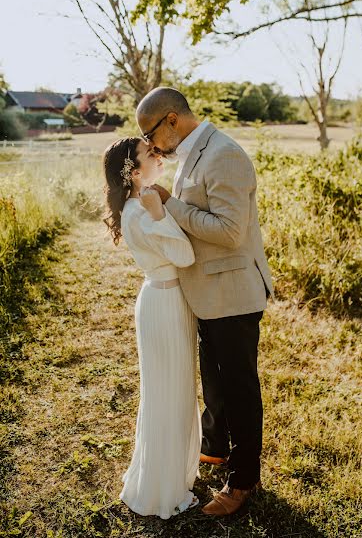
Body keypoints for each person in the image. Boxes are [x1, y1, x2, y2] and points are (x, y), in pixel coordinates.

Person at [135, 86, 275, 517]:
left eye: (151, 134)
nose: (151, 146)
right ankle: (214, 451)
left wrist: (171, 206)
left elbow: (231, 231)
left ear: (172, 120)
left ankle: (243, 480)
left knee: (238, 389)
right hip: (207, 294)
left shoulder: (224, 155)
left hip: (232, 293)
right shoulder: (194, 152)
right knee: (214, 381)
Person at [102, 136, 201, 520]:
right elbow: (184, 255)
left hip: (164, 298)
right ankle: (162, 488)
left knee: (172, 390)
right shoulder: (142, 211)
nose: (158, 156)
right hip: (163, 303)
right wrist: (160, 214)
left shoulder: (137, 204)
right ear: (134, 169)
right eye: (150, 154)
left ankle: (172, 471)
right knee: (168, 393)